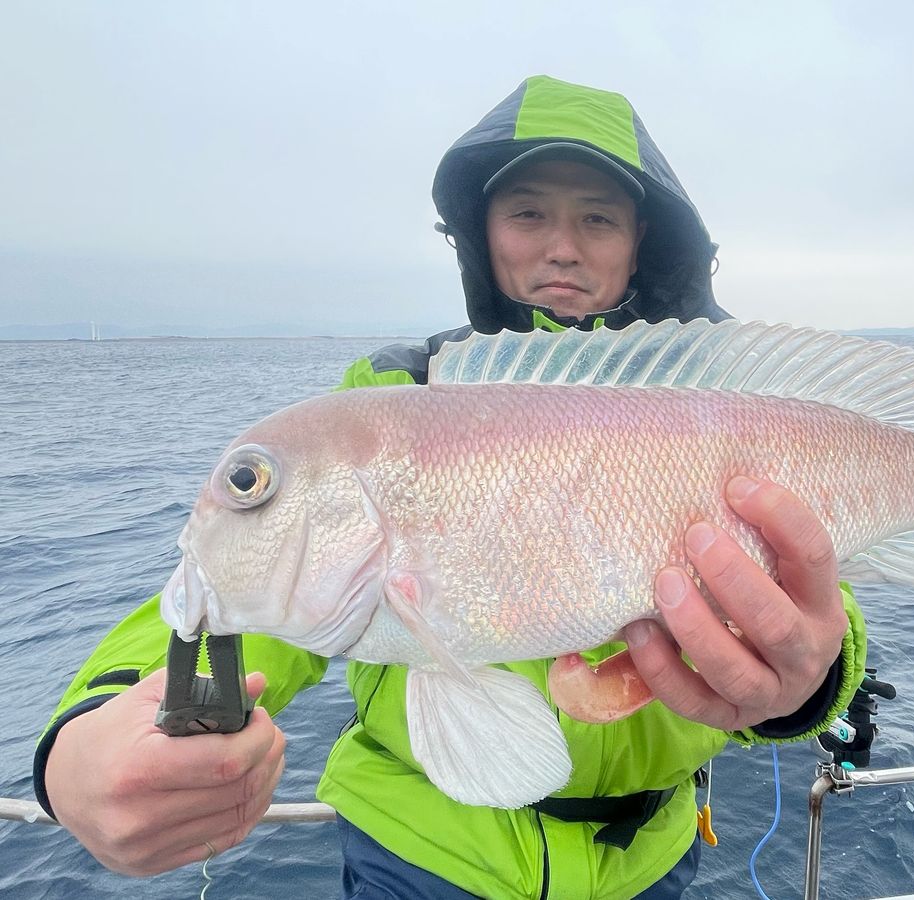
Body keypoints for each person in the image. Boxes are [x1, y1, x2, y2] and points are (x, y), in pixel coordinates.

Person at [35, 75, 868, 899]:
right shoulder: (389, 401)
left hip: (649, 858)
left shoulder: (718, 405)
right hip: (418, 854)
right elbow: (237, 601)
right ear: (481, 230)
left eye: (598, 218)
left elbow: (815, 596)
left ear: (642, 239)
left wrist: (809, 685)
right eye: (528, 213)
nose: (563, 247)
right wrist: (92, 731)